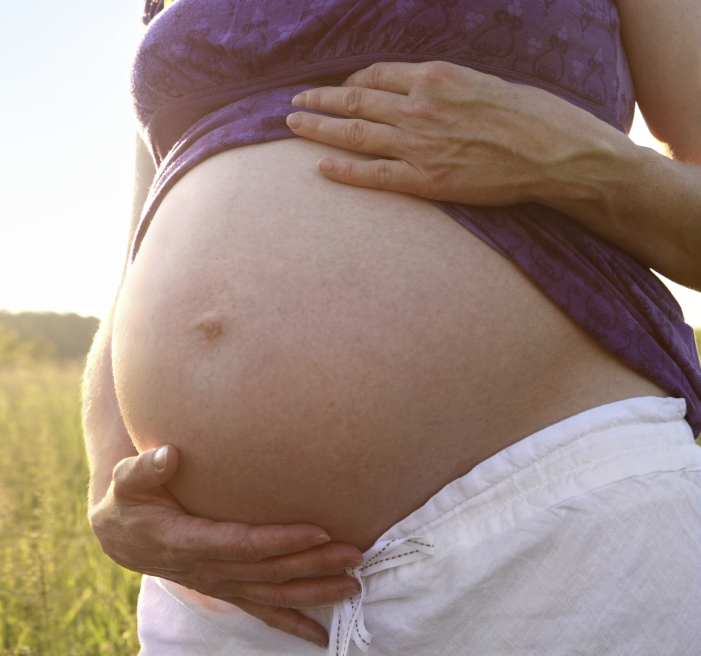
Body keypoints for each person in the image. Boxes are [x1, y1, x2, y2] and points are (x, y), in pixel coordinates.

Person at [85, 0, 701, 653]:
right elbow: (133, 260)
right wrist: (108, 486)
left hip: (552, 523)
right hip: (229, 596)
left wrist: (577, 160)